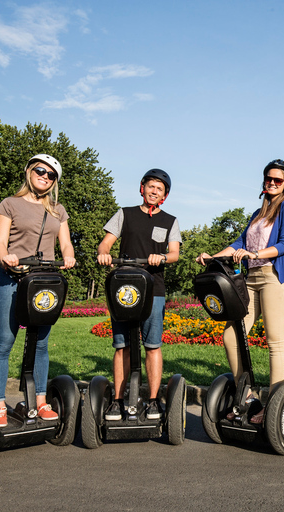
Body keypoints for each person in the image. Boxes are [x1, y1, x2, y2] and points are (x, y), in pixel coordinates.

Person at [196, 159, 284, 425]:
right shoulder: (258, 213)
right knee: (232, 335)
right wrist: (212, 257)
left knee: (274, 341)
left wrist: (255, 254)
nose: (272, 183)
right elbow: (239, 242)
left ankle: (273, 405)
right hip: (251, 279)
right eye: (269, 179)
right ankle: (249, 396)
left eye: (278, 180)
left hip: (275, 277)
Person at [0, 154, 76, 428]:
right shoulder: (10, 204)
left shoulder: (57, 210)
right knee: (3, 342)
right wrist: (6, 257)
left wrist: (69, 257)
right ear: (29, 171)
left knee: (40, 344)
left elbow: (66, 243)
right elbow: (0, 241)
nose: (45, 177)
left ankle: (40, 401)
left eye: (51, 175)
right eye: (40, 171)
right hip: (13, 279)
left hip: (42, 283)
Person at [97, 169, 181, 421]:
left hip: (153, 288)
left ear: (165, 195)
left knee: (152, 345)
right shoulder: (125, 214)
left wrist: (162, 256)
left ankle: (154, 400)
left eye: (160, 189)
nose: (154, 191)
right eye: (151, 186)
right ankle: (117, 399)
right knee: (122, 346)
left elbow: (175, 253)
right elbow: (106, 243)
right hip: (124, 288)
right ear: (142, 188)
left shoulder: (170, 220)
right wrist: (104, 253)